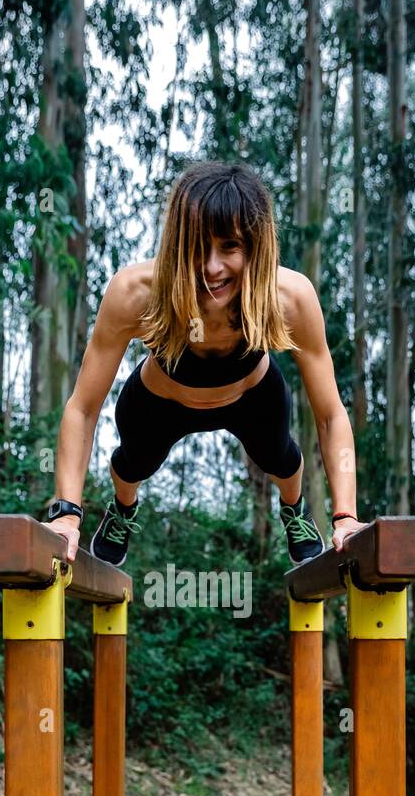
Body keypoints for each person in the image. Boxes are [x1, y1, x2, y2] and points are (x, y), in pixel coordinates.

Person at [45, 161, 364, 568]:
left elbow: (331, 415)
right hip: (160, 401)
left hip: (251, 397)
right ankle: (123, 511)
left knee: (281, 457)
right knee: (131, 464)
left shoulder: (290, 298)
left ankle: (294, 509)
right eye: (198, 246)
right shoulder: (136, 292)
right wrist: (67, 514)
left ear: (255, 246)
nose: (211, 267)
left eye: (229, 247)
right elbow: (83, 408)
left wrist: (346, 516)